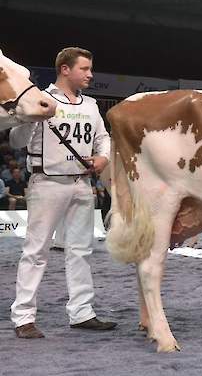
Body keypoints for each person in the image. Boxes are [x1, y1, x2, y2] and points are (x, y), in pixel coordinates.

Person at [8, 47, 117, 338]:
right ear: (65, 69)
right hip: (47, 182)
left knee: (81, 250)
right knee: (36, 251)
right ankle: (23, 317)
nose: (90, 74)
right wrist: (30, 118)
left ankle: (82, 312)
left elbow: (102, 138)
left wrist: (103, 158)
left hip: (82, 183)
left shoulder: (91, 105)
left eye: (90, 69)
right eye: (84, 69)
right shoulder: (40, 99)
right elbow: (17, 142)